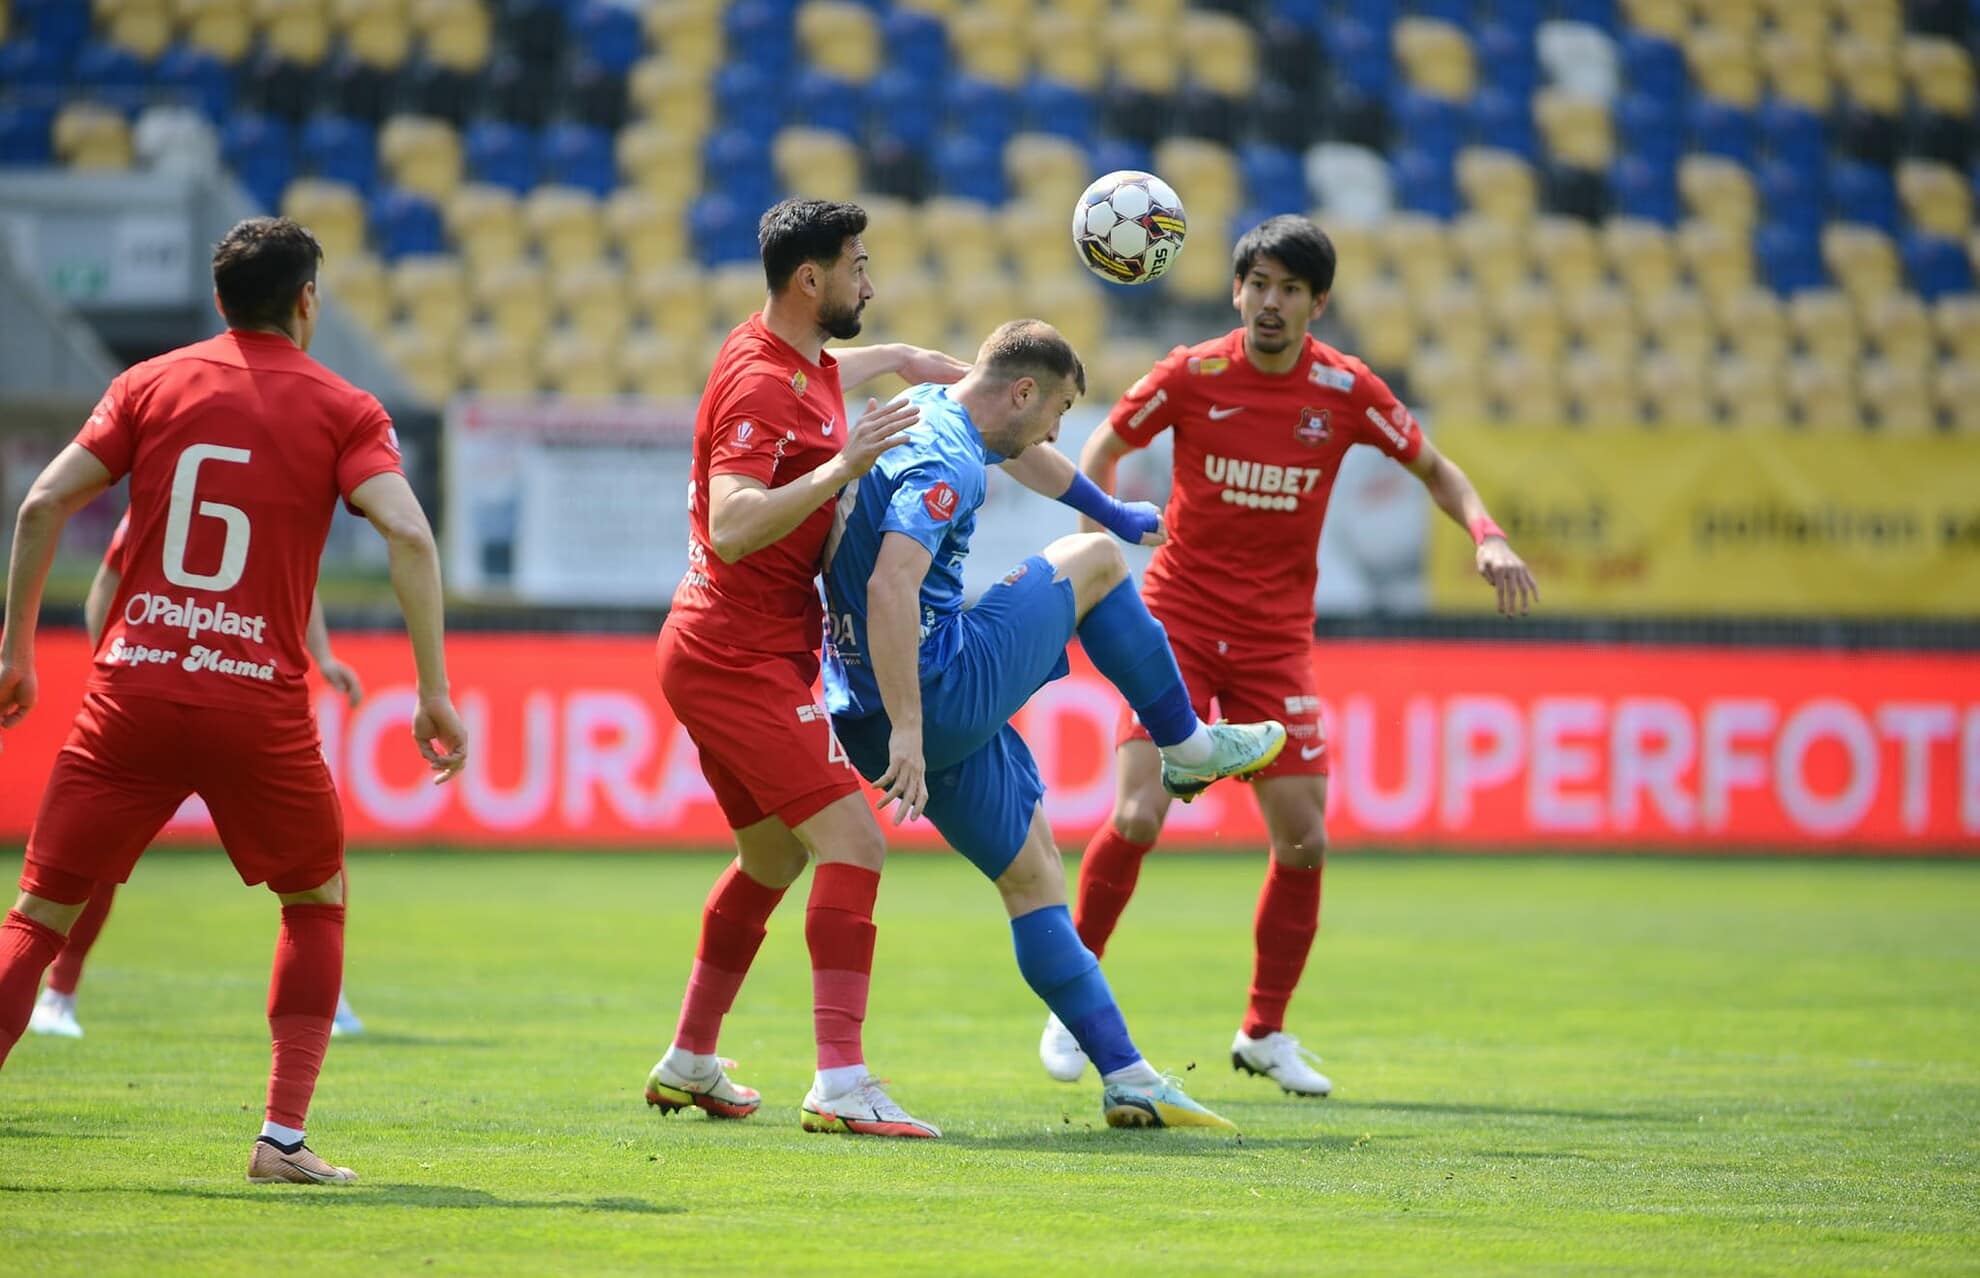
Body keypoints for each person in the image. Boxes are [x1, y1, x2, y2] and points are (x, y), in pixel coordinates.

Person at [0, 216, 467, 1185]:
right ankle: (281, 1140)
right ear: (307, 301)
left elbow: (42, 505)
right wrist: (432, 691)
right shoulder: (345, 408)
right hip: (258, 699)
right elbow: (411, 539)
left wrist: (16, 654)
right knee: (315, 900)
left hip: (132, 688)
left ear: (219, 301)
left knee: (38, 915)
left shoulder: (150, 384)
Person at [1040, 215, 1538, 1098]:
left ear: (1318, 303)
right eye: (1258, 285)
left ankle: (1264, 1032)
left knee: (1304, 841)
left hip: (1275, 641)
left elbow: (1436, 469)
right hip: (1179, 623)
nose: (1271, 303)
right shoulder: (1192, 375)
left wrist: (1489, 536)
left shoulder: (1345, 391)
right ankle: (1073, 1005)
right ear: (1237, 291)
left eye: (1290, 290)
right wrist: (1100, 555)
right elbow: (1104, 446)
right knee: (1141, 817)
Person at [822, 319, 1288, 1130]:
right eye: (1059, 411)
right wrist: (910, 731)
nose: (1057, 432)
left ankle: (1129, 1076)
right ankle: (1189, 748)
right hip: (929, 693)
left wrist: (1106, 502)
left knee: (1034, 877)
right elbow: (891, 588)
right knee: (1100, 562)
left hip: (865, 708)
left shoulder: (934, 407)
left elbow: (1023, 451)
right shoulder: (949, 459)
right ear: (1024, 391)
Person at [644, 198, 969, 1139]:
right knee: (857, 845)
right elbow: (737, 524)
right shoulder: (760, 386)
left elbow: (831, 371)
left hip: (727, 648)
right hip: (734, 655)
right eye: (858, 266)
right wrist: (844, 468)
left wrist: (902, 358)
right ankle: (842, 1081)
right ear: (810, 280)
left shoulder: (795, 356)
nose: (870, 280)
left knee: (772, 854)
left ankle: (690, 1059)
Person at [27, 513, 368, 1041]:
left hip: (186, 700)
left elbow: (297, 583)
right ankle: (59, 993)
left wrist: (320, 655)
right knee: (313, 866)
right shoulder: (179, 499)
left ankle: (58, 998)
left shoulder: (182, 493)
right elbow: (105, 584)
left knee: (317, 856)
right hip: (217, 703)